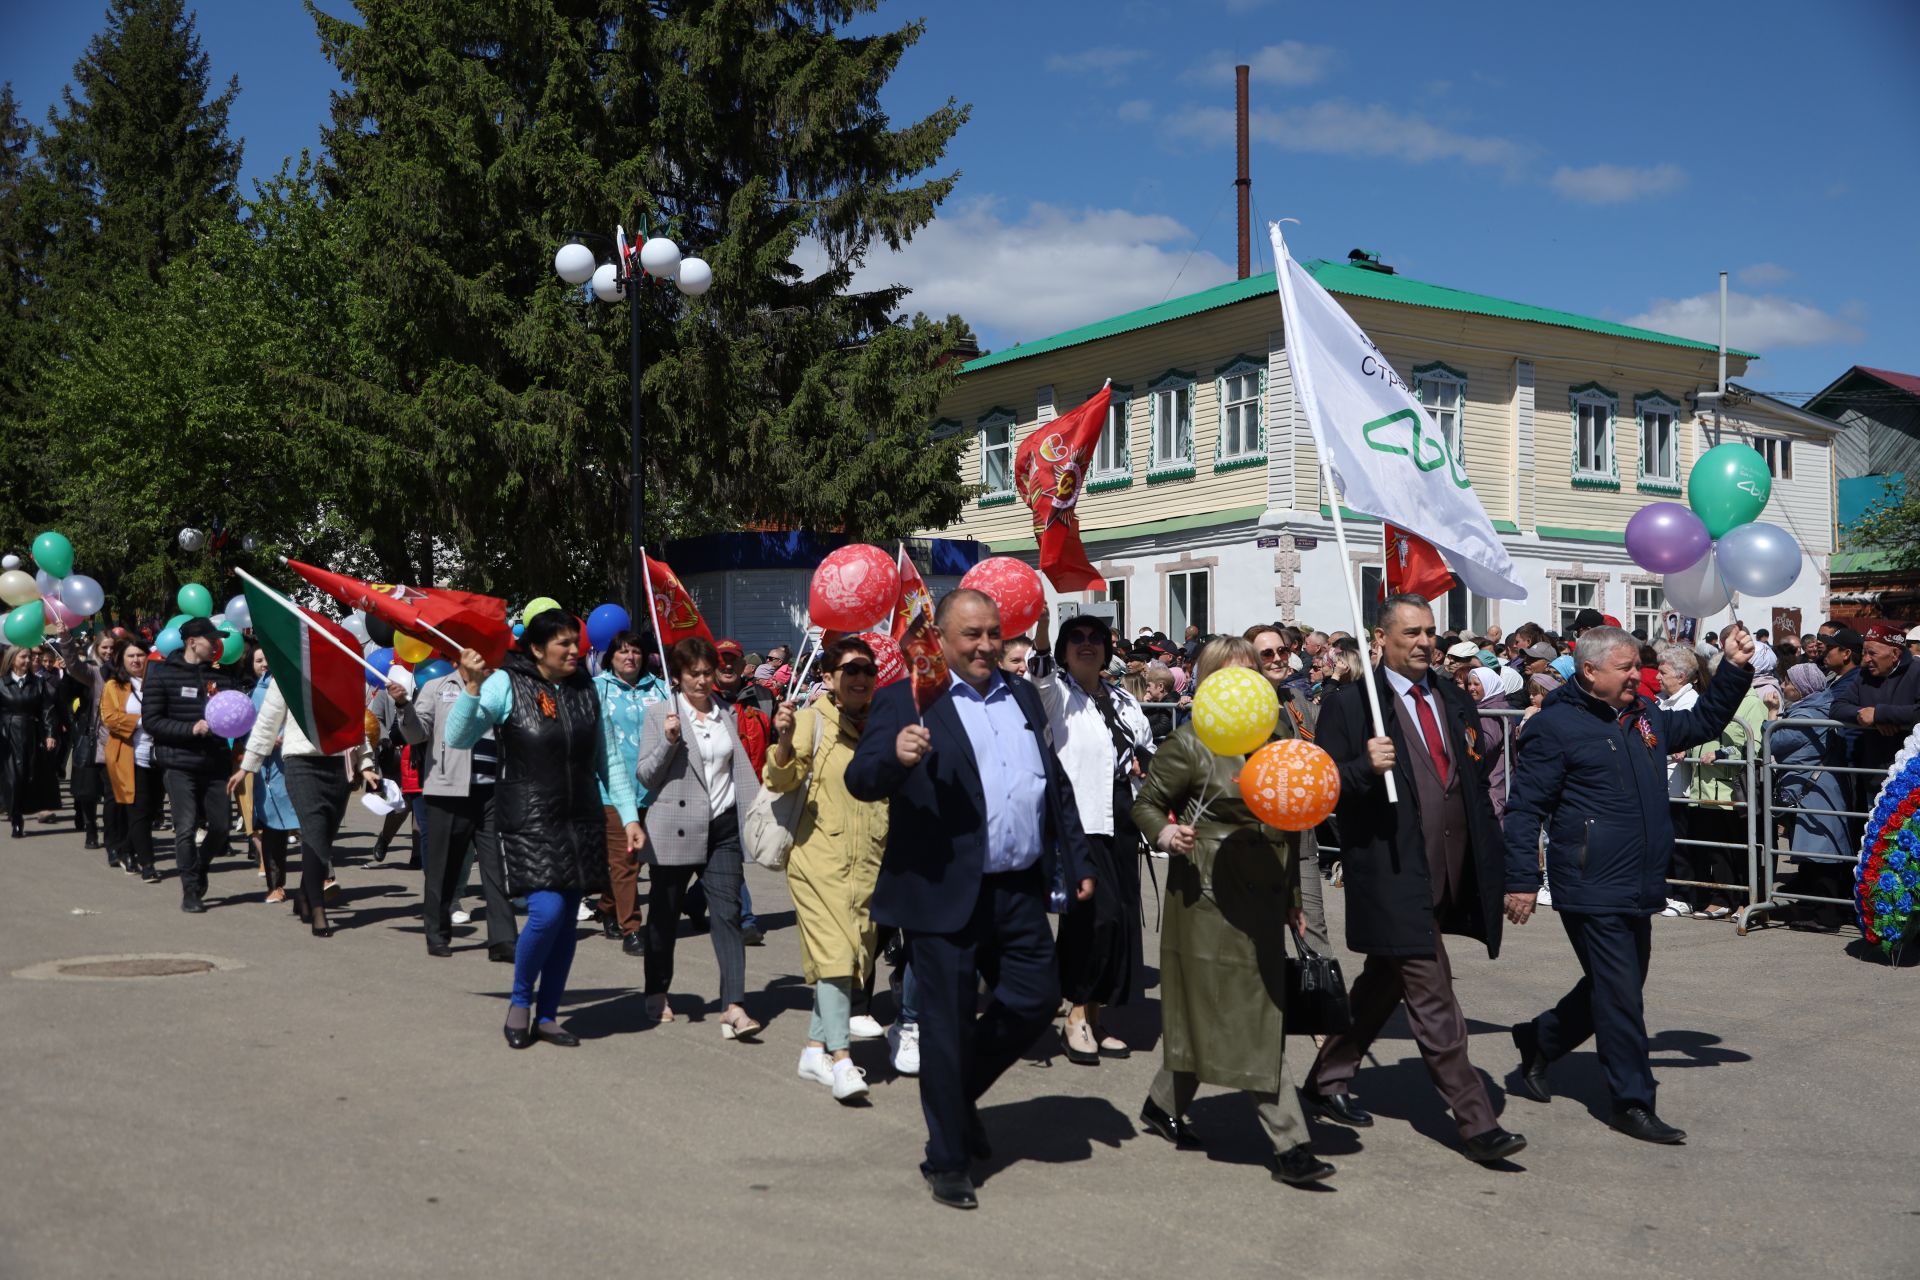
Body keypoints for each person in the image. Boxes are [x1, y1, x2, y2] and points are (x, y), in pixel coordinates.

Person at [844, 588, 1092, 1211]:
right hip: (942, 890)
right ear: (943, 640)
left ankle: (955, 1099)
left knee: (1036, 1000)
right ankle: (947, 1157)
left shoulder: (1021, 695)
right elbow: (861, 778)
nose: (985, 646)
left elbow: (1051, 784)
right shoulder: (907, 699)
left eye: (993, 634)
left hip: (1015, 887)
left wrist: (1078, 858)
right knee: (948, 1028)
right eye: (971, 636)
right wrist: (897, 759)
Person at [1503, 622, 1756, 1145]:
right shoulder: (1555, 727)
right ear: (1590, 671)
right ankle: (1631, 1100)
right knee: (1620, 995)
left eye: (1639, 669)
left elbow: (1706, 719)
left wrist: (1731, 667)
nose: (1637, 678)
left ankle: (1541, 1038)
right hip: (1589, 879)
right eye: (1625, 669)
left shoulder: (1645, 715)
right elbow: (1525, 808)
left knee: (1615, 983)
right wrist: (1522, 879)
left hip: (1638, 876)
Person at [1303, 595, 1526, 1165]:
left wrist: (1495, 865)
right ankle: (1476, 1119)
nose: (1425, 642)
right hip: (1392, 872)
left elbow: (1472, 785)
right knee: (1433, 995)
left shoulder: (1451, 697)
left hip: (1448, 870)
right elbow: (1322, 787)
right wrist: (1361, 767)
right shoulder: (1353, 705)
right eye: (1411, 633)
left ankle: (1327, 1077)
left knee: (1385, 979)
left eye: (1430, 632)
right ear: (1381, 639)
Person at [1130, 635, 1335, 1187]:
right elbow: (1146, 803)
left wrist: (1293, 898)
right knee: (1252, 1013)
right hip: (1207, 896)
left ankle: (1162, 1102)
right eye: (1235, 670)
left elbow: (1289, 821)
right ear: (1210, 679)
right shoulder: (1192, 741)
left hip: (1265, 892)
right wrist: (1167, 832)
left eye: (1255, 668)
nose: (1250, 679)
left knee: (1221, 1009)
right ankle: (1290, 1141)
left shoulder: (1279, 732)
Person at [445, 612, 643, 1048]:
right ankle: (520, 1001)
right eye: (564, 644)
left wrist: (628, 817)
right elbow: (458, 737)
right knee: (547, 913)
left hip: (582, 819)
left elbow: (607, 760)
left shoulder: (586, 690)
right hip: (529, 819)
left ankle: (549, 1016)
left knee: (567, 922)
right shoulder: (506, 684)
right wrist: (472, 688)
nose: (576, 650)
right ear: (536, 649)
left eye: (577, 642)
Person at [765, 635, 889, 1102]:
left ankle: (814, 1049)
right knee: (836, 953)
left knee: (853, 957)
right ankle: (840, 1058)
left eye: (867, 670)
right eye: (850, 670)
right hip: (817, 858)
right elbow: (780, 778)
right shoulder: (810, 721)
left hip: (869, 861)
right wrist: (781, 738)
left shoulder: (883, 726)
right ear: (829, 677)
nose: (860, 678)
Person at [1030, 613, 1154, 1065]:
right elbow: (1039, 676)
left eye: (1095, 638)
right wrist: (1043, 633)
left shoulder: (1122, 697)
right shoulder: (1058, 694)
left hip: (1122, 819)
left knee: (1119, 921)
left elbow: (1146, 746)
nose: (1087, 644)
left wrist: (1144, 759)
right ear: (1064, 649)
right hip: (1080, 822)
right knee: (1093, 920)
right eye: (1077, 638)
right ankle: (1075, 1015)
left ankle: (1097, 1017)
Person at [636, 635, 762, 1039]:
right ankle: (656, 990)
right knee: (664, 916)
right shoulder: (660, 715)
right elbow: (647, 776)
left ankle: (734, 1005)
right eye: (695, 674)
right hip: (674, 826)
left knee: (726, 915)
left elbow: (739, 769)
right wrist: (670, 742)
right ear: (678, 677)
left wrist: (757, 813)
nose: (704, 680)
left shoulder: (727, 712)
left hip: (721, 828)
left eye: (708, 673)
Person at [231, 668, 385, 938]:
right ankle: (318, 910)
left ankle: (304, 895)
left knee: (325, 836)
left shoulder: (343, 673)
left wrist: (366, 763)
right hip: (301, 762)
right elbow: (267, 721)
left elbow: (354, 722)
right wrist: (248, 766)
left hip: (338, 763)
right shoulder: (287, 671)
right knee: (313, 831)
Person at [398, 663, 517, 960]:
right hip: (448, 789)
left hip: (491, 789)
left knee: (494, 867)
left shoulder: (498, 685)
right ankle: (437, 932)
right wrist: (403, 705)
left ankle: (503, 940)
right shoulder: (438, 687)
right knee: (443, 866)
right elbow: (416, 734)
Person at [140, 618, 240, 911]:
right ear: (192, 642)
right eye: (212, 639)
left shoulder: (222, 678)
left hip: (215, 762)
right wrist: (189, 729)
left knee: (221, 828)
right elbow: (152, 721)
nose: (217, 645)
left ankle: (201, 866)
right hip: (178, 763)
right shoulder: (161, 675)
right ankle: (190, 890)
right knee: (185, 827)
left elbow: (233, 717)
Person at [588, 630, 667, 955]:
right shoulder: (596, 689)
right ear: (611, 657)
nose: (630, 657)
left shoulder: (662, 689)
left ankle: (609, 905)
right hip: (611, 790)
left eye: (635, 651)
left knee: (646, 862)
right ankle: (631, 928)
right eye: (622, 652)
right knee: (625, 860)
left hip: (655, 790)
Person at [1680, 652, 1770, 919]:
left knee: (1740, 847)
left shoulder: (1752, 703)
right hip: (1705, 787)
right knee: (1716, 849)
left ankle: (1746, 898)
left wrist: (1724, 754)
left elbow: (1755, 745)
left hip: (1734, 788)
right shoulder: (1713, 700)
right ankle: (1723, 897)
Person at [711, 638, 769, 945]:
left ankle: (695, 902)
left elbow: (772, 745)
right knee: (728, 858)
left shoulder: (762, 697)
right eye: (721, 659)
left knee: (718, 862)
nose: (727, 664)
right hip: (714, 794)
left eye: (732, 659)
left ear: (742, 663)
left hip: (752, 793)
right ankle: (746, 918)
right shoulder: (703, 700)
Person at [47, 622, 115, 852]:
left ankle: (111, 831)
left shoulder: (121, 673)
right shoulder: (89, 671)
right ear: (96, 648)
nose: (108, 652)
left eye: (112, 648)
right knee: (87, 790)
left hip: (114, 738)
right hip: (88, 734)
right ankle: (90, 827)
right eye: (104, 648)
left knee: (110, 791)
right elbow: (68, 686)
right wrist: (72, 722)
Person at [99, 638, 162, 882]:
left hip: (158, 755)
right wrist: (142, 721)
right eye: (130, 656)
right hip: (128, 755)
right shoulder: (115, 686)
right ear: (122, 661)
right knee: (138, 810)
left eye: (140, 655)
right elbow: (110, 717)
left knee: (151, 809)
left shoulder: (157, 682)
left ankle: (125, 848)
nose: (136, 660)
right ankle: (148, 864)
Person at [244, 646, 298, 905]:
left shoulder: (301, 680)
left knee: (313, 824)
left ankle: (324, 877)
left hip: (301, 760)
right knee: (272, 825)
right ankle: (275, 885)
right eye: (260, 660)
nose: (265, 664)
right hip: (270, 766)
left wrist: (287, 737)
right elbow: (253, 724)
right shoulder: (261, 689)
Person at [1832, 622, 1920, 777]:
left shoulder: (1917, 671)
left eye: (1872, 653)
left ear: (1894, 654)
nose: (1866, 659)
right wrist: (1864, 714)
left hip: (1912, 774)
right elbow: (1837, 707)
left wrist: (1880, 714)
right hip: (1872, 770)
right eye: (1864, 652)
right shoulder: (1863, 675)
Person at [0, 645, 57, 839]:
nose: (27, 661)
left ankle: (23, 810)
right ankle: (16, 819)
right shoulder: (2, 683)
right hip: (7, 736)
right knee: (12, 779)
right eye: (23, 657)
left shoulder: (38, 683)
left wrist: (50, 733)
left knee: (28, 777)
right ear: (12, 658)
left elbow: (47, 710)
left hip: (31, 734)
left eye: (29, 657)